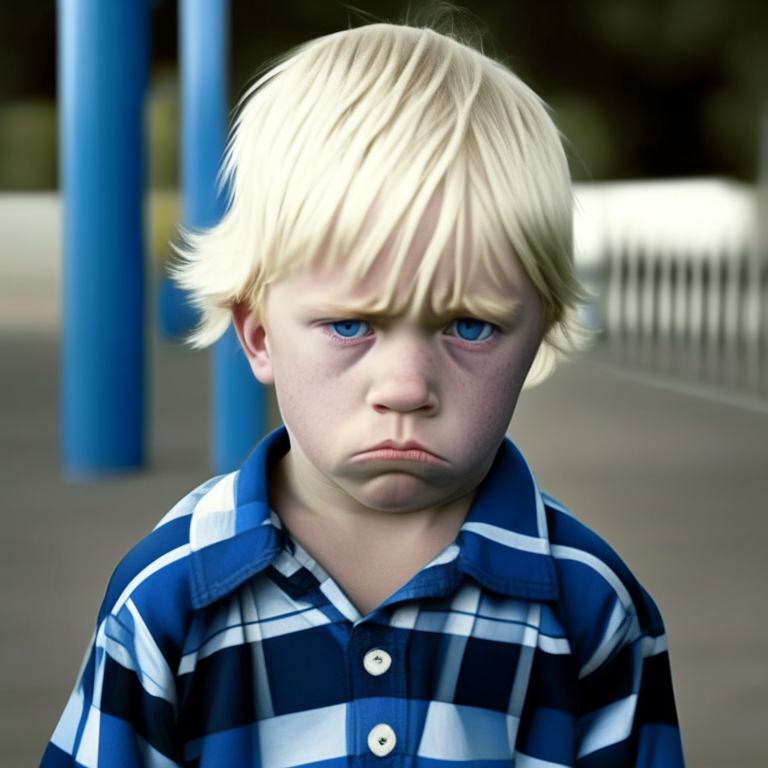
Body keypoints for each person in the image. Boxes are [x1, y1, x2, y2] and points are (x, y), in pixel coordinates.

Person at [40, 22, 685, 768]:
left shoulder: (592, 607)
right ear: (257, 334)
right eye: (351, 323)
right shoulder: (170, 597)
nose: (406, 386)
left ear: (538, 333)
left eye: (470, 327)